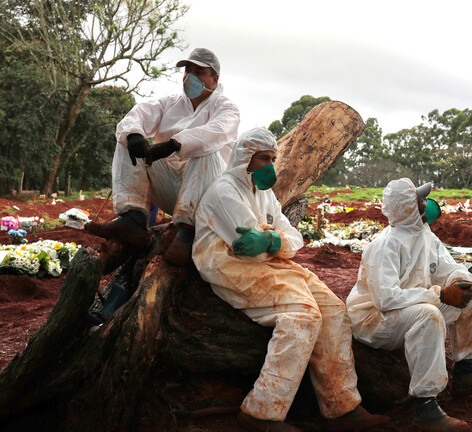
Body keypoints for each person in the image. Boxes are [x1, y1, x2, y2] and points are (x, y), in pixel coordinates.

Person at [192, 127, 389, 432]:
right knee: (303, 315)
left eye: (273, 158)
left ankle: (341, 406)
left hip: (272, 263)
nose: (270, 165)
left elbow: (295, 239)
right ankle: (261, 413)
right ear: (245, 157)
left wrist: (272, 240)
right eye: (263, 158)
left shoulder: (265, 194)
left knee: (334, 310)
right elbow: (250, 250)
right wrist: (275, 241)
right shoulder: (224, 192)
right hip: (229, 266)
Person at [346, 178, 472, 432]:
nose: (427, 204)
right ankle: (426, 407)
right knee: (429, 314)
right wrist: (440, 295)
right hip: (373, 320)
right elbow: (385, 299)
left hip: (408, 309)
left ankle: (466, 372)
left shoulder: (424, 235)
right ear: (408, 208)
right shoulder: (384, 245)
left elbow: (448, 266)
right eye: (421, 200)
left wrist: (459, 281)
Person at [85, 47, 240, 266]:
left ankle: (186, 232)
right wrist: (135, 135)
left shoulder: (226, 108)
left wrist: (174, 144)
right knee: (126, 140)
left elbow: (215, 133)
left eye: (199, 72)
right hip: (174, 191)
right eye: (187, 71)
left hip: (209, 198)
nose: (190, 77)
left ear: (214, 80)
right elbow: (136, 116)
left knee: (206, 151)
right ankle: (132, 220)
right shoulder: (170, 103)